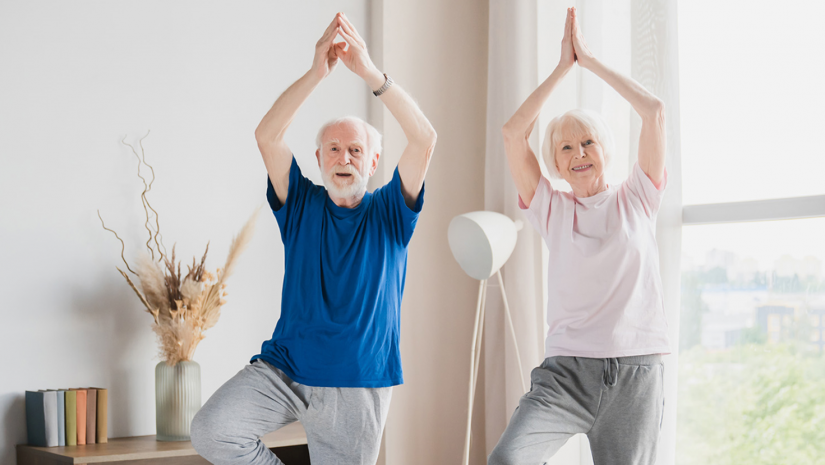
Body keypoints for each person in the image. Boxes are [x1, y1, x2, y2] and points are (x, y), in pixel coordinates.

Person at [190, 12, 436, 465]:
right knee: (212, 430)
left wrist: (369, 73)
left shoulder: (390, 211)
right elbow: (267, 136)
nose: (345, 158)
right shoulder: (302, 204)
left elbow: (424, 138)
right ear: (319, 159)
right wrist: (317, 72)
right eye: (335, 149)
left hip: (357, 382)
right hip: (285, 369)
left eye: (356, 150)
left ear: (374, 160)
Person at [489, 7, 669, 465]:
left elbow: (654, 112)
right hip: (566, 375)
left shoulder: (638, 198)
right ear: (555, 161)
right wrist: (561, 70)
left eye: (587, 141)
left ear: (605, 148)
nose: (578, 153)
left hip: (635, 374)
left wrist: (589, 62)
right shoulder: (552, 209)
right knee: (508, 459)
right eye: (565, 147)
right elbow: (513, 134)